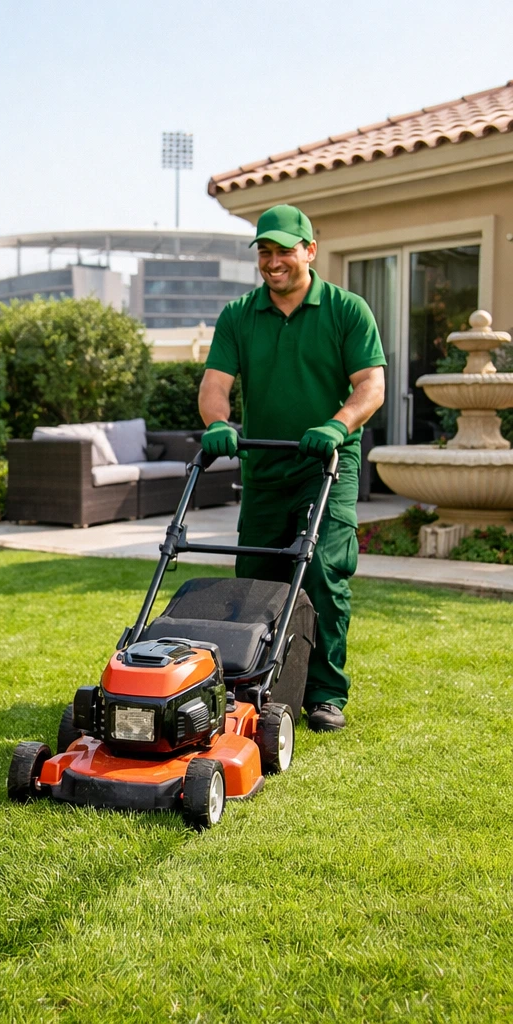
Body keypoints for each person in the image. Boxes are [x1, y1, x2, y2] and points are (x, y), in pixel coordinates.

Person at [198, 204, 386, 733]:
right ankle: (255, 681)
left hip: (328, 463)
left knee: (324, 571)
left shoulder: (346, 310)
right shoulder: (239, 314)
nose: (273, 261)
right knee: (255, 580)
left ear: (310, 250)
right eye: (264, 251)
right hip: (265, 466)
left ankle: (326, 694)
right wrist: (219, 422)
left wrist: (338, 423)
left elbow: (371, 384)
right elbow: (216, 385)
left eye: (284, 250)